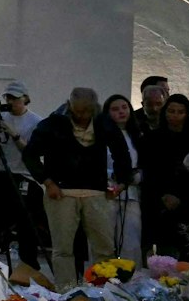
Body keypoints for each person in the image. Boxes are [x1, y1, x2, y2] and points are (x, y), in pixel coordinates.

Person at [27, 87, 133, 289]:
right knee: (63, 248)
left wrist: (121, 183)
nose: (82, 116)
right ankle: (67, 291)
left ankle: (103, 289)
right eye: (78, 111)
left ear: (94, 109)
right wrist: (48, 182)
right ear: (69, 106)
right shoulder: (53, 124)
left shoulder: (103, 123)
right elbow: (30, 155)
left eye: (87, 112)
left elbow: (121, 153)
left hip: (96, 191)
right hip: (61, 192)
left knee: (104, 246)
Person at [0, 81, 45, 272]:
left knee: (26, 226)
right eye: (8, 98)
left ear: (25, 99)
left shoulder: (36, 122)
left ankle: (28, 267)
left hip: (23, 177)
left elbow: (32, 152)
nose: (11, 101)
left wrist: (13, 135)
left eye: (15, 98)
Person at [138, 94, 189, 259]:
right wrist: (162, 195)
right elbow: (149, 171)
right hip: (159, 202)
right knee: (162, 252)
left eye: (180, 112)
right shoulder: (152, 138)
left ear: (187, 114)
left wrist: (181, 197)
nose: (175, 116)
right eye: (171, 111)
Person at [105, 93, 142, 264]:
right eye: (115, 109)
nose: (121, 112)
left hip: (131, 194)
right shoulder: (101, 135)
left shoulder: (137, 135)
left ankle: (132, 279)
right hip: (107, 193)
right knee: (104, 240)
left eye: (124, 107)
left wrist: (136, 176)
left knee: (131, 239)